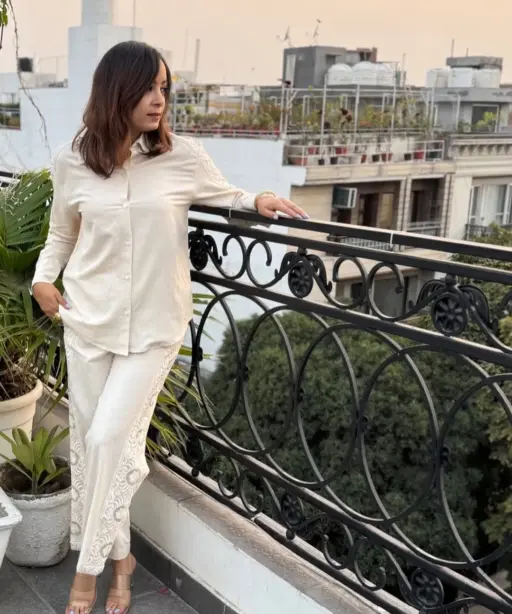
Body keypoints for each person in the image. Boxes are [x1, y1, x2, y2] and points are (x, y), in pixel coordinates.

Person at [32, 41, 308, 614]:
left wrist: (259, 198)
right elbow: (61, 233)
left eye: (164, 88)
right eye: (148, 88)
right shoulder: (71, 159)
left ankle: (86, 572)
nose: (159, 100)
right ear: (117, 91)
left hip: (156, 328)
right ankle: (123, 563)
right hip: (86, 320)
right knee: (100, 450)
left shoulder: (182, 157)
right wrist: (41, 279)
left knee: (107, 442)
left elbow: (228, 194)